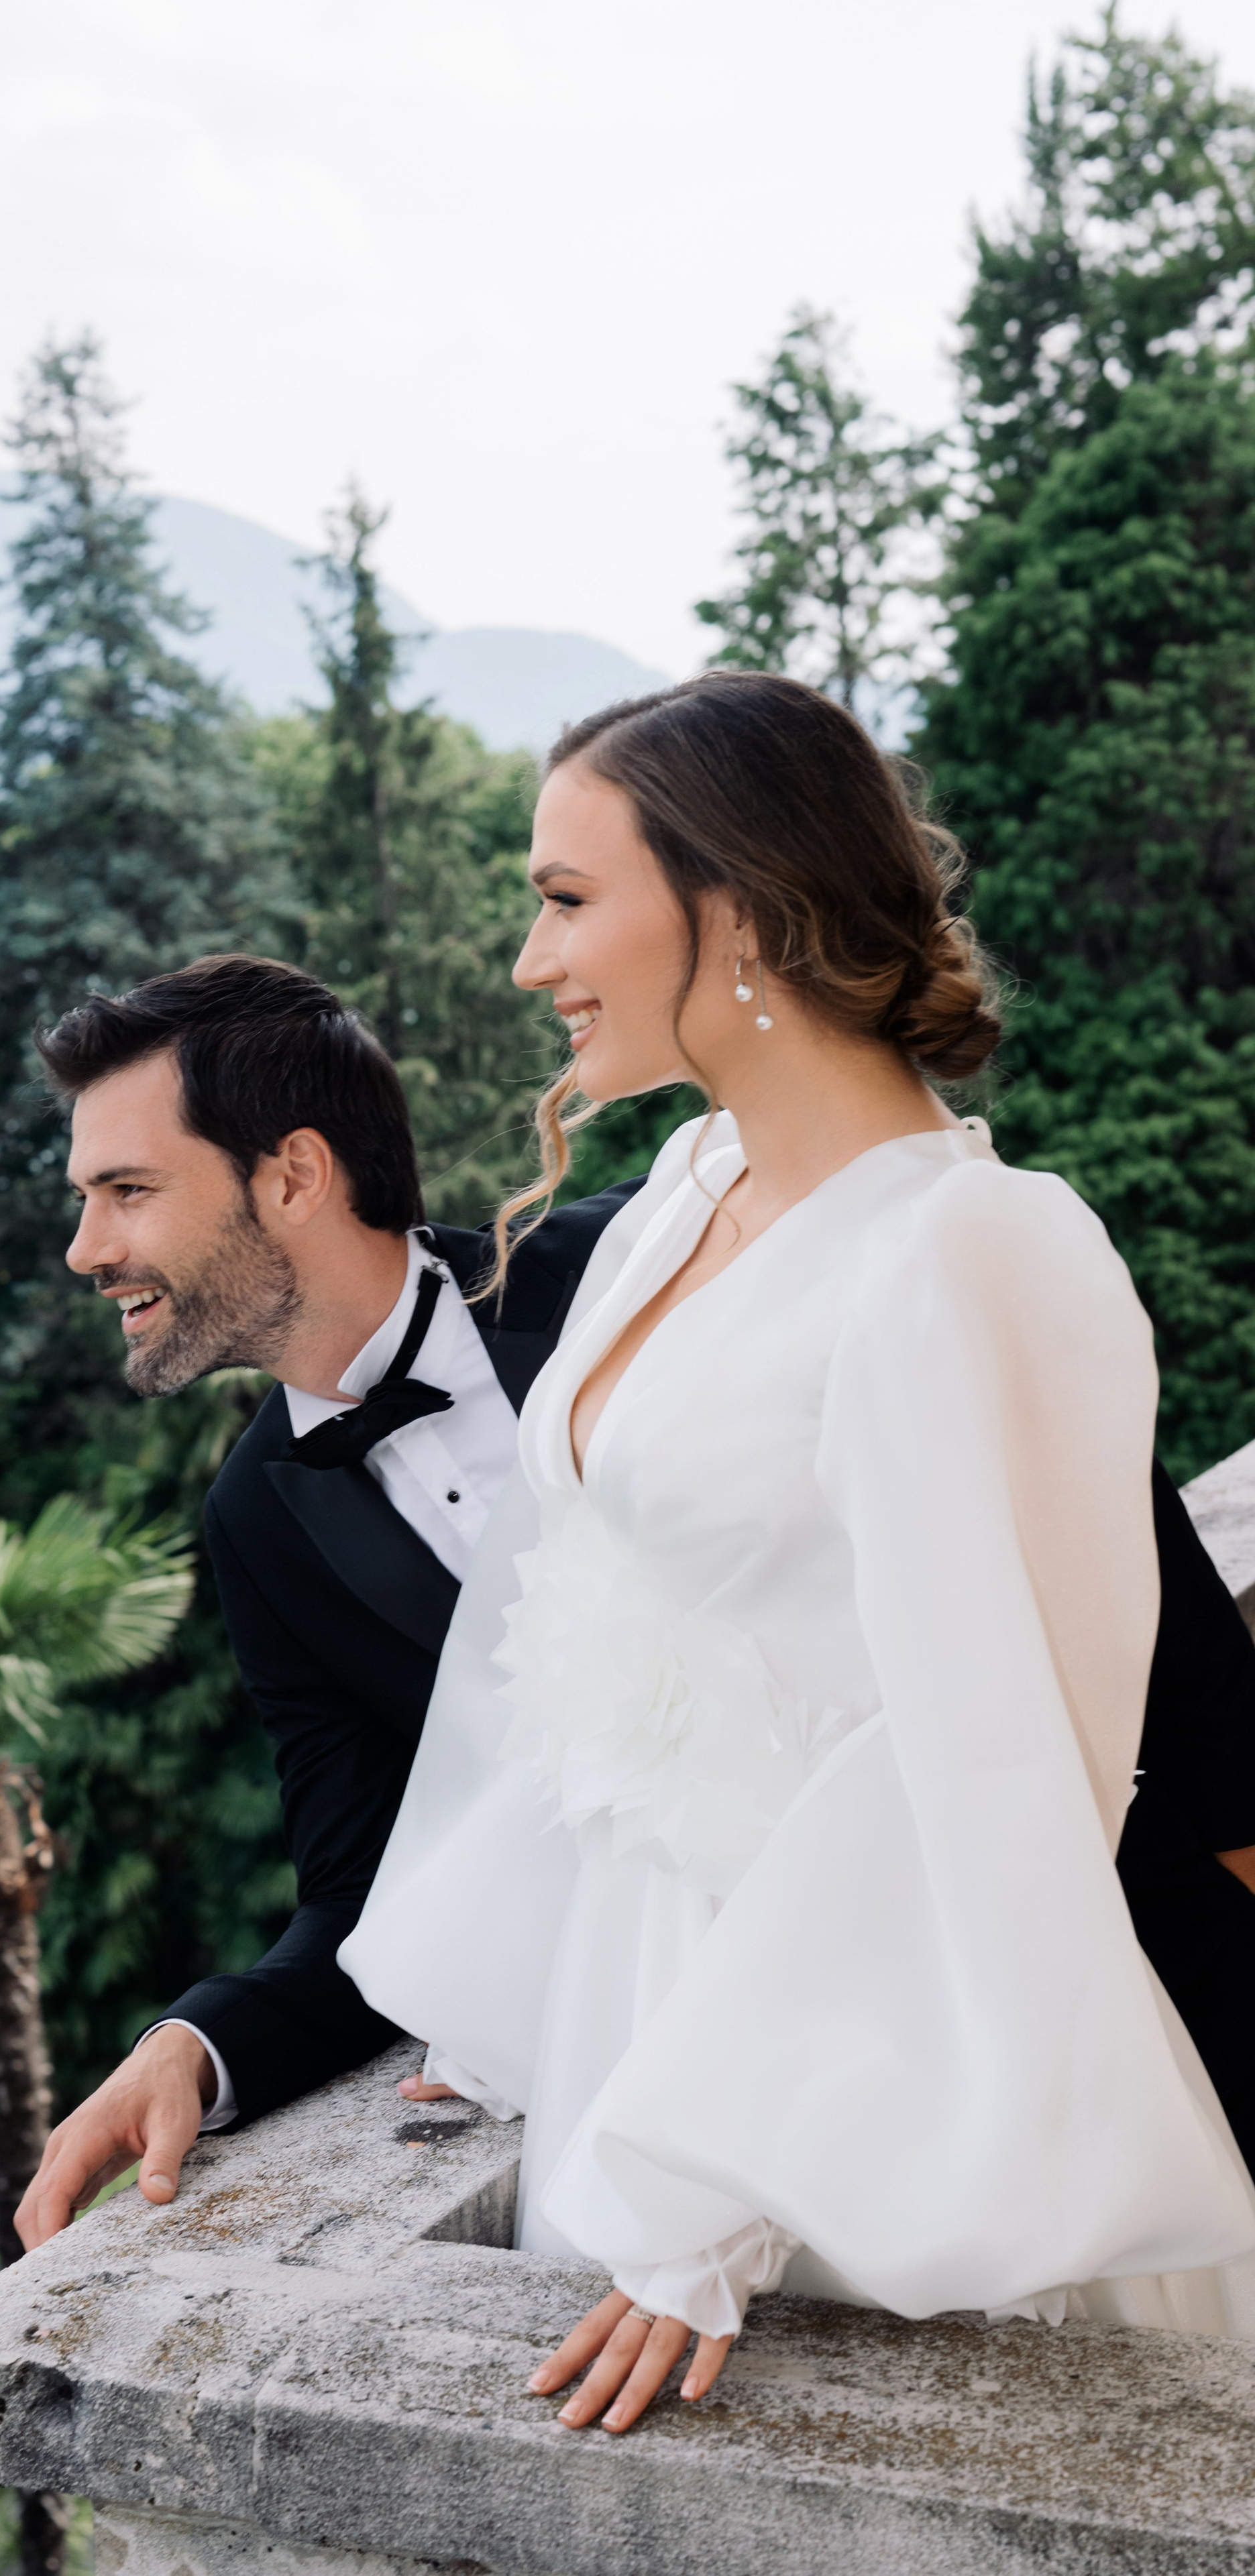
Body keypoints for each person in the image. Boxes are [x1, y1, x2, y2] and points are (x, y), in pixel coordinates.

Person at [338, 671, 1255, 2436]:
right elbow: (604, 1616)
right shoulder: (686, 1189)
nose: (533, 963)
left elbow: (989, 1767)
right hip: (642, 1990)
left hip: (851, 2071)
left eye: (566, 900)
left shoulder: (976, 1255)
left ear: (742, 906)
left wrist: (732, 2190)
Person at [12, 955, 642, 2247]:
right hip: (638, 2055)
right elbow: (362, 1891)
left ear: (293, 1174)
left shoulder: (623, 1276)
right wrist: (198, 2040)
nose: (87, 1249)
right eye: (85, 1199)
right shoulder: (259, 1525)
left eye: (127, 1191)